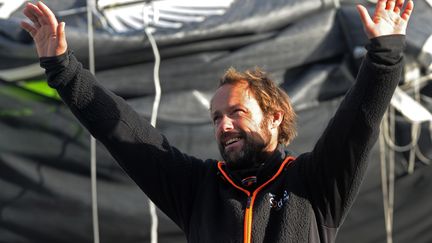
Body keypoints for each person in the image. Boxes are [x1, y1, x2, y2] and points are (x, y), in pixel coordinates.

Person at [21, 0, 413, 242]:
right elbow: (122, 129)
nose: (223, 126)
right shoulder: (197, 188)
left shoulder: (314, 182)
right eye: (216, 118)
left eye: (237, 113)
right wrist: (63, 69)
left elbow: (356, 123)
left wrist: (383, 56)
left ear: (275, 117)